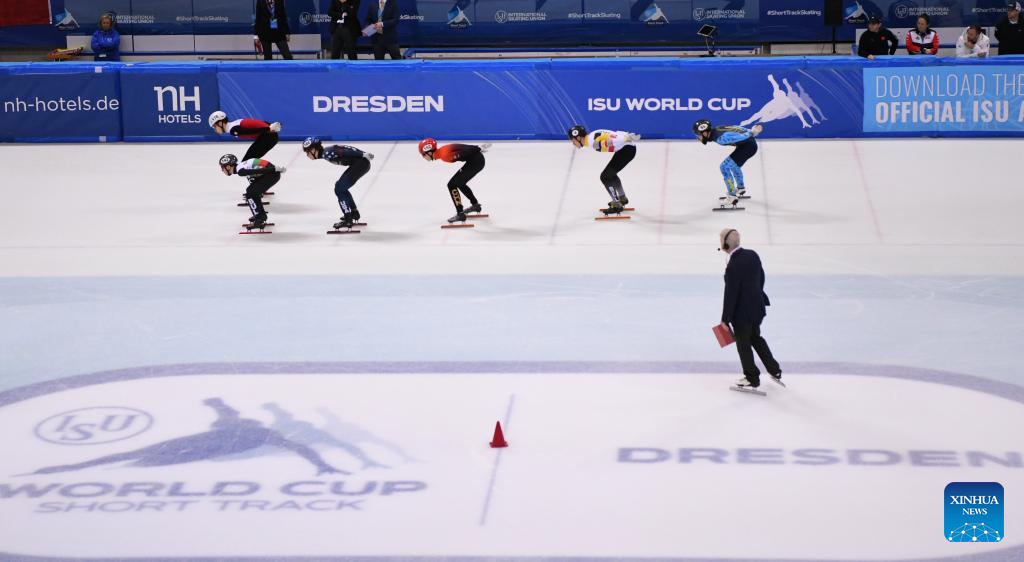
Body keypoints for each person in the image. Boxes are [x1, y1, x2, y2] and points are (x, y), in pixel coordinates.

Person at [717, 228, 782, 394]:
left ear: (725, 245)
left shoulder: (733, 266)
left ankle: (752, 378)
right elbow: (761, 278)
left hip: (742, 314)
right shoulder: (752, 255)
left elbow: (730, 295)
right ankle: (774, 369)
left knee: (743, 344)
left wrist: (725, 319)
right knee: (755, 337)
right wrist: (757, 295)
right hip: (757, 308)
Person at [302, 137, 374, 230]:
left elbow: (345, 151)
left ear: (313, 150)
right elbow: (345, 149)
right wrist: (363, 154)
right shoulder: (327, 151)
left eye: (307, 152)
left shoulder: (327, 153)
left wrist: (363, 154)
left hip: (361, 164)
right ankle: (353, 213)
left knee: (339, 189)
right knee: (340, 188)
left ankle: (348, 219)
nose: (307, 155)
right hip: (361, 163)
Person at [568, 125, 640, 216]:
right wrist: (625, 136)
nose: (573, 143)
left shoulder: (593, 141)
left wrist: (626, 137)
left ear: (578, 138)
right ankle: (622, 198)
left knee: (605, 177)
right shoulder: (592, 138)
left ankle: (616, 204)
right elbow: (613, 134)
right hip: (625, 149)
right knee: (610, 174)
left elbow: (614, 138)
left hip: (627, 150)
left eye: (573, 140)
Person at [693, 119, 762, 209]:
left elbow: (738, 137)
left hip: (748, 147)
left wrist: (751, 132)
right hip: (747, 145)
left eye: (698, 135)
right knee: (734, 166)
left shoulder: (721, 139)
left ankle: (732, 196)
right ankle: (740, 188)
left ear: (705, 133)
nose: (698, 138)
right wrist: (750, 131)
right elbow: (736, 128)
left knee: (724, 167)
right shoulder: (718, 128)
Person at [418, 138, 490, 225]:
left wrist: (478, 148)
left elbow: (463, 153)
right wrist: (476, 149)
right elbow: (463, 148)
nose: (423, 157)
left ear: (429, 153)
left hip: (476, 162)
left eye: (423, 154)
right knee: (459, 183)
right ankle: (475, 205)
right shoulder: (442, 151)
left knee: (451, 185)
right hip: (475, 160)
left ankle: (460, 214)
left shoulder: (445, 156)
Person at [219, 154, 286, 228]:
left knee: (250, 193)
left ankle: (259, 219)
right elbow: (254, 176)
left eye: (222, 168)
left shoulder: (240, 171)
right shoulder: (241, 166)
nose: (222, 170)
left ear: (228, 167)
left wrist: (274, 169)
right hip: (271, 174)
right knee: (251, 191)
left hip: (272, 174)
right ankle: (260, 215)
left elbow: (256, 171)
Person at [208, 111, 281, 161]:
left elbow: (250, 131)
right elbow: (255, 124)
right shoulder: (234, 124)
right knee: (247, 162)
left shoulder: (233, 130)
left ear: (220, 123)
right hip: (267, 135)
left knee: (246, 162)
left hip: (268, 136)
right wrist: (270, 125)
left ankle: (268, 172)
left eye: (214, 126)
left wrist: (269, 128)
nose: (215, 130)